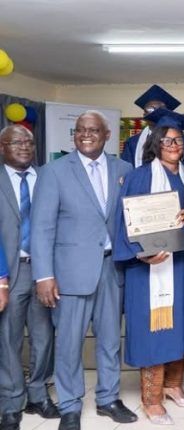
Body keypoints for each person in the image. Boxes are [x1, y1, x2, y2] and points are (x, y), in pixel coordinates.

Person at [32, 111, 137, 430]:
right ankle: (70, 405)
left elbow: (134, 217)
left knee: (110, 340)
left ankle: (108, 398)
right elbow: (42, 228)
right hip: (69, 272)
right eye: (79, 130)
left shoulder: (124, 169)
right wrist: (44, 276)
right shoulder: (54, 172)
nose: (85, 135)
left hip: (112, 269)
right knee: (69, 343)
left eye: (93, 130)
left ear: (107, 135)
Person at [113, 110, 184, 425]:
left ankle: (173, 385)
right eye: (167, 141)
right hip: (148, 268)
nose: (174, 145)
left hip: (180, 264)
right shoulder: (140, 176)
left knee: (181, 324)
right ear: (155, 144)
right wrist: (141, 254)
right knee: (153, 329)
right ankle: (151, 399)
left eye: (178, 140)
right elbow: (125, 220)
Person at [0, 125, 57, 430]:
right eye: (16, 142)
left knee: (43, 335)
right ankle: (11, 402)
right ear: (2, 147)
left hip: (46, 269)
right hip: (10, 271)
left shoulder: (49, 176)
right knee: (8, 337)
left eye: (29, 142)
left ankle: (38, 394)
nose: (24, 146)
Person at [120, 85, 181, 167]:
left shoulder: (181, 141)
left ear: (166, 114)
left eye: (159, 109)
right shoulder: (132, 143)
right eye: (150, 109)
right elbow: (127, 170)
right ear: (144, 115)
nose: (154, 113)